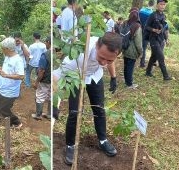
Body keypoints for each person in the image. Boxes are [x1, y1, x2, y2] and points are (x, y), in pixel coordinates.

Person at [53, 32, 122, 165]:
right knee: (74, 112)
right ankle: (70, 146)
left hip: (94, 75)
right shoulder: (77, 55)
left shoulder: (107, 54)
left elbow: (108, 59)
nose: (104, 62)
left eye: (109, 60)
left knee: (99, 109)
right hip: (76, 77)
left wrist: (113, 77)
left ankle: (103, 140)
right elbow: (56, 77)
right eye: (101, 57)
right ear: (96, 46)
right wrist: (54, 104)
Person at [145, 0, 172, 80]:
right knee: (161, 57)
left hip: (161, 39)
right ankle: (166, 76)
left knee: (153, 57)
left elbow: (164, 29)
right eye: (161, 4)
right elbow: (146, 26)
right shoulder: (152, 15)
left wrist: (166, 39)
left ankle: (148, 72)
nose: (163, 6)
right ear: (157, 5)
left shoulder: (163, 16)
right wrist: (153, 30)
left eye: (164, 4)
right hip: (153, 39)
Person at [122, 8, 143, 89]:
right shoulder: (137, 26)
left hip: (125, 48)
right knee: (130, 67)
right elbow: (138, 43)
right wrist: (141, 52)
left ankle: (126, 80)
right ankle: (129, 84)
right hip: (132, 51)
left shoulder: (125, 23)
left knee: (126, 65)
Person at [32, 36, 51, 120]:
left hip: (45, 80)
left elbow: (41, 71)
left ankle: (38, 115)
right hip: (54, 80)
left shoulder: (45, 55)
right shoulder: (57, 53)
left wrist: (36, 82)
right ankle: (50, 114)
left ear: (48, 42)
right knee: (51, 96)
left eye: (46, 42)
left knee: (40, 96)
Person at [139, 0, 155, 67]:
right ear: (153, 5)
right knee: (144, 48)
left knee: (137, 45)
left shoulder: (141, 10)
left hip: (139, 30)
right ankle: (142, 63)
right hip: (147, 33)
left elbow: (138, 20)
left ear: (148, 3)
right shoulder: (153, 14)